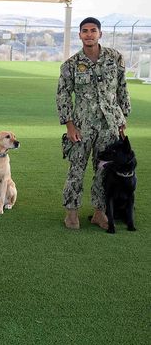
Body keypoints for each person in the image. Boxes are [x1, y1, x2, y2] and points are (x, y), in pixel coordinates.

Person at [57, 17, 131, 230]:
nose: (89, 34)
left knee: (104, 170)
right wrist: (69, 125)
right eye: (85, 31)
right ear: (79, 35)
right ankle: (71, 212)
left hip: (109, 125)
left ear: (100, 33)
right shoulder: (71, 65)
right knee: (76, 168)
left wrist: (122, 119)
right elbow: (63, 95)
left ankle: (100, 212)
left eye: (93, 30)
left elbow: (122, 89)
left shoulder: (115, 58)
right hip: (82, 125)